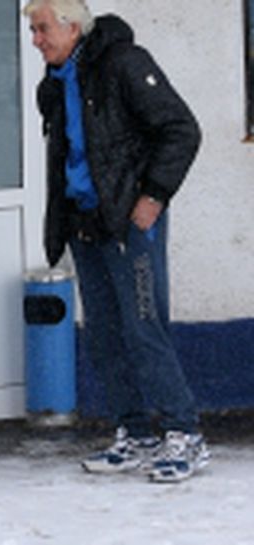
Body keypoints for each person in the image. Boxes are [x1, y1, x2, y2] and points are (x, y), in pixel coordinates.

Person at [23, 0, 209, 482]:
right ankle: (135, 433)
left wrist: (154, 197)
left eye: (42, 29)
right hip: (85, 223)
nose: (35, 39)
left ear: (71, 26)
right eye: (33, 30)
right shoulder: (56, 80)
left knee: (144, 327)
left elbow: (181, 130)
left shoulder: (125, 63)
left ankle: (184, 433)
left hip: (130, 223)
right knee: (106, 336)